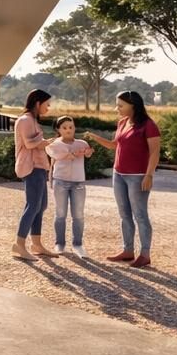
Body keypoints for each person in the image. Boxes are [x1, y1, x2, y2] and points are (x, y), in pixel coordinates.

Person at [86, 91, 162, 268]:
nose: (117, 108)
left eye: (120, 105)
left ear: (133, 105)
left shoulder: (149, 125)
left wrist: (149, 175)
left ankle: (145, 254)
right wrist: (94, 138)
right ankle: (128, 250)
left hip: (138, 177)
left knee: (140, 215)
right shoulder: (122, 122)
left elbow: (155, 153)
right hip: (118, 174)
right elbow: (114, 145)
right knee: (124, 215)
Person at [12, 89, 57, 258]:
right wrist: (45, 142)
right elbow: (30, 144)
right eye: (47, 103)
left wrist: (45, 143)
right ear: (38, 103)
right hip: (31, 167)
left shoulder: (32, 120)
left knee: (41, 205)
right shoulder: (25, 120)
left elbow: (34, 142)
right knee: (33, 206)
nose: (49, 107)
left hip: (38, 166)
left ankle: (36, 244)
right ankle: (19, 245)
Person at [45, 115, 93, 257]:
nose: (68, 130)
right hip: (60, 181)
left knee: (78, 215)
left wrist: (88, 152)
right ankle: (59, 243)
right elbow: (53, 153)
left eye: (71, 127)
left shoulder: (82, 143)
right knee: (60, 214)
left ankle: (78, 244)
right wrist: (70, 154)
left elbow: (88, 154)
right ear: (58, 129)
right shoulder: (54, 144)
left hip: (79, 182)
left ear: (74, 128)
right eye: (64, 128)